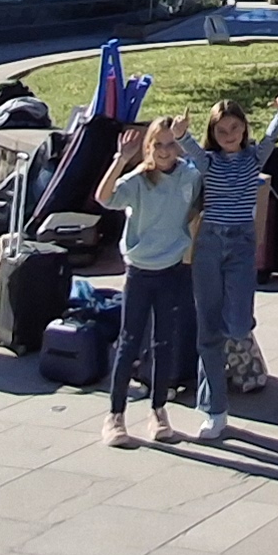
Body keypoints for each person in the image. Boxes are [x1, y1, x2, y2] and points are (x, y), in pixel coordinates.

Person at [187, 93, 278, 439]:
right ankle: (214, 410)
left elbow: (273, 137)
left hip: (241, 244)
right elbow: (190, 150)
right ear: (213, 134)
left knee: (237, 324)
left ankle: (236, 355)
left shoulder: (252, 158)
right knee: (208, 331)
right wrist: (181, 132)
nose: (229, 136)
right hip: (209, 243)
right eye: (221, 131)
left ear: (244, 128)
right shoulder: (209, 161)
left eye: (234, 128)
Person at [95, 118, 202, 449]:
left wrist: (189, 136)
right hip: (140, 271)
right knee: (129, 342)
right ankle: (115, 415)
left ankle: (158, 410)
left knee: (164, 341)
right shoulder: (138, 180)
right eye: (159, 144)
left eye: (171, 144)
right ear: (149, 147)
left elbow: (209, 175)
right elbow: (104, 197)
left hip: (172, 269)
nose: (165, 151)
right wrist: (120, 159)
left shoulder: (189, 175)